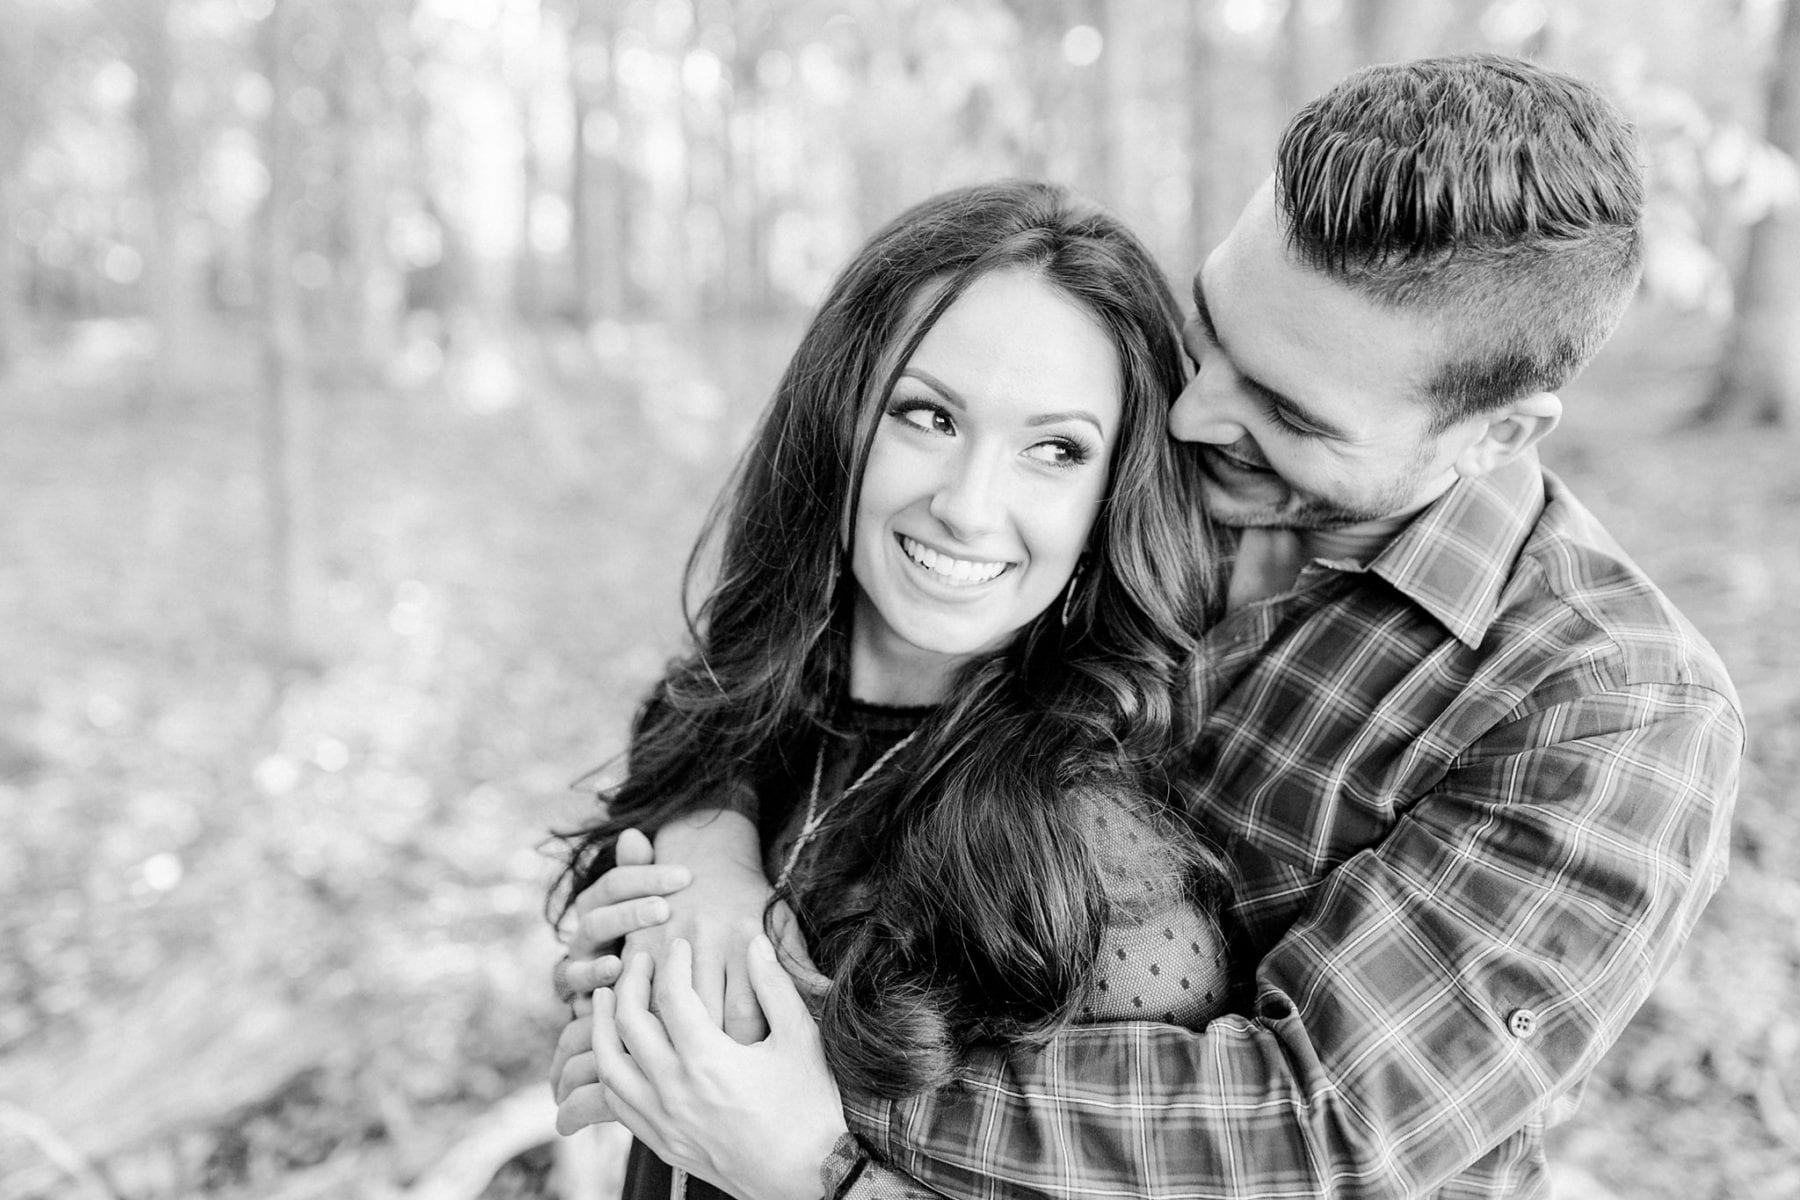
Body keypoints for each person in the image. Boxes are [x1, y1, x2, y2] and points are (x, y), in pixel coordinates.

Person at [554, 52, 1744, 1200]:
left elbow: (1314, 1118)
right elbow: (825, 667)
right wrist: (705, 861)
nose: (1192, 409)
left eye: (1286, 407)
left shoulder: (1605, 709)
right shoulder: (1131, 466)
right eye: (1213, 322)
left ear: (1497, 435)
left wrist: (796, 1080)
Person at [547, 179, 1241, 1200]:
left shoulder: (1105, 882)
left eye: (1055, 449)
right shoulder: (737, 714)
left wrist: (811, 1175)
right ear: (841, 420)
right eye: (928, 415)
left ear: (1109, 503)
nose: (968, 505)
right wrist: (639, 1004)